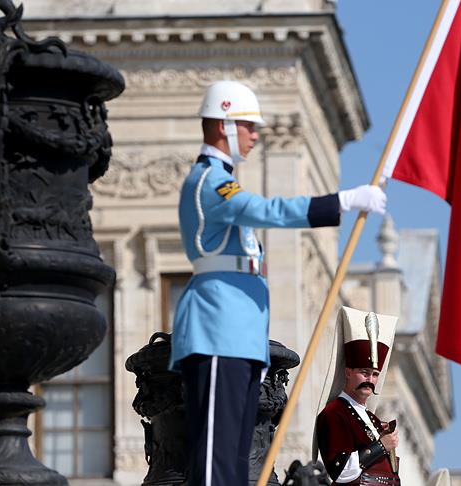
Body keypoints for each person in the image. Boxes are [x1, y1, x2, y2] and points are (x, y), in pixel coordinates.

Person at [169, 80, 386, 486]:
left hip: (240, 334)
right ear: (223, 126)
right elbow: (263, 209)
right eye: (248, 125)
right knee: (216, 462)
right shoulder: (209, 180)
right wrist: (340, 201)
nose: (255, 135)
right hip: (218, 329)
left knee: (234, 461)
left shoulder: (222, 180)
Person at [314, 307, 401, 485]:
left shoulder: (374, 420)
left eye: (375, 374)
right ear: (348, 372)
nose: (370, 379)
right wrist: (381, 446)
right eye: (364, 372)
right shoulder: (334, 413)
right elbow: (341, 471)